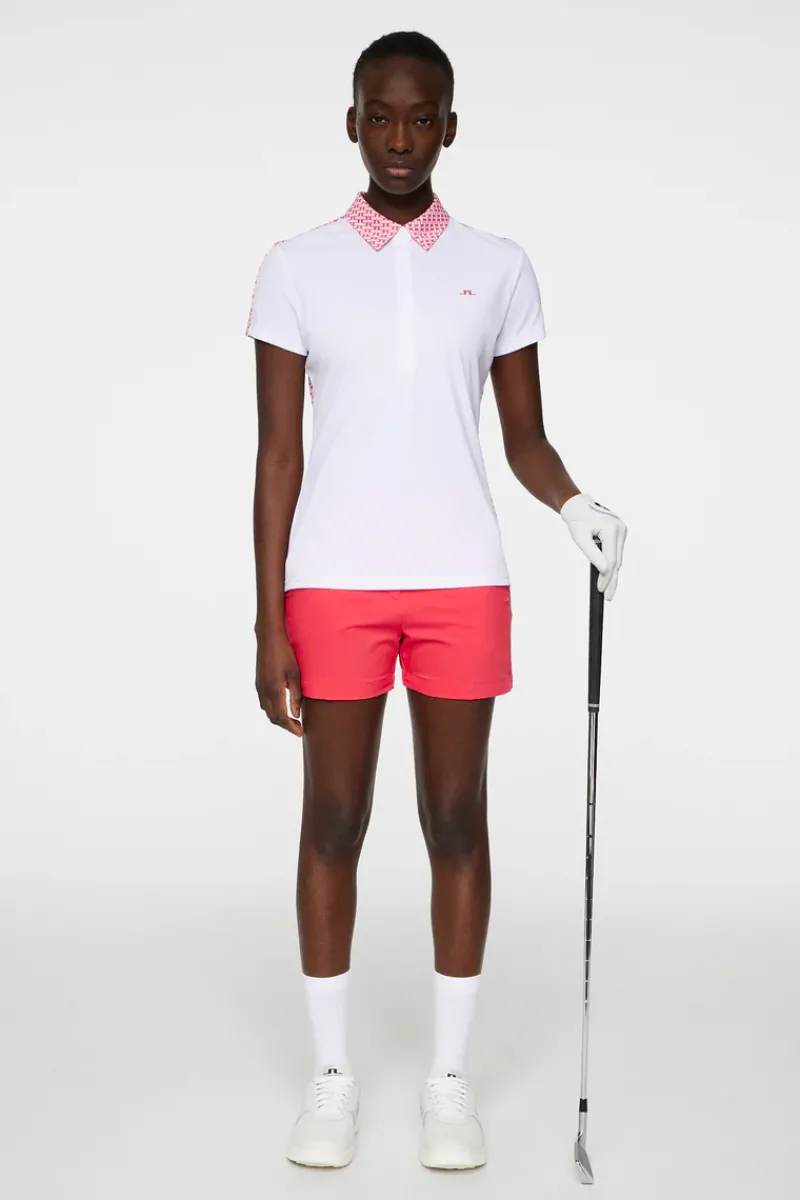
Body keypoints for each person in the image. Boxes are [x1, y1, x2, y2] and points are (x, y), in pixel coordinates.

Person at [247, 30, 627, 1172]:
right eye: (380, 115)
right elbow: (278, 457)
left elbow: (524, 437)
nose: (400, 138)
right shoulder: (296, 265)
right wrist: (268, 619)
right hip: (333, 581)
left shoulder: (498, 266)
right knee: (334, 820)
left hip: (462, 576)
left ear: (450, 127)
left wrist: (573, 504)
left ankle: (448, 1083)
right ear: (351, 123)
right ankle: (331, 1078)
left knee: (455, 821)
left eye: (421, 118)